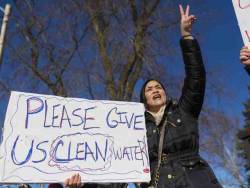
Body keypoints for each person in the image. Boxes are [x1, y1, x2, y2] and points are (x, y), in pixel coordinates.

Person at [138, 4, 222, 188]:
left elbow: (196, 77)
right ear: (144, 100)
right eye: (149, 89)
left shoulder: (184, 111)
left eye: (158, 87)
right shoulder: (136, 128)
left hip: (194, 181)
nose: (155, 90)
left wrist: (186, 36)